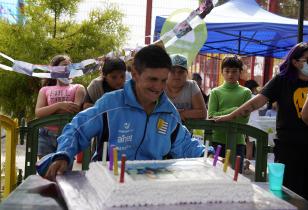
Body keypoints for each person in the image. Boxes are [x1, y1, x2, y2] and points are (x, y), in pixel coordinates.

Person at [37, 45, 214, 181]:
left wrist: (209, 155)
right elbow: (77, 129)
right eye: (152, 79)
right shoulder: (110, 104)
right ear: (135, 74)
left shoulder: (169, 112)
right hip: (107, 182)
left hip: (150, 186)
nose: (158, 87)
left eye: (163, 80)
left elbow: (185, 144)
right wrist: (63, 155)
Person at [214, 42, 308, 204]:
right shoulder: (282, 81)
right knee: (291, 195)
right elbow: (256, 102)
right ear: (295, 62)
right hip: (289, 149)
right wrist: (230, 116)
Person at [35, 55, 86, 159]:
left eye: (70, 67)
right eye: (64, 66)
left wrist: (50, 111)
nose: (67, 69)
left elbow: (74, 110)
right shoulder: (45, 90)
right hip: (45, 136)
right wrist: (60, 105)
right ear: (54, 70)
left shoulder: (78, 88)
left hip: (67, 135)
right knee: (45, 169)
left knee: (64, 170)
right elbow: (39, 113)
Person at [208, 56, 252, 172]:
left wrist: (224, 116)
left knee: (236, 176)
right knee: (215, 173)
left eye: (234, 71)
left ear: (240, 73)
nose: (230, 74)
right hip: (217, 141)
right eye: (227, 71)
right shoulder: (215, 92)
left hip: (238, 142)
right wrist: (235, 110)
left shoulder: (246, 92)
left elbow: (244, 120)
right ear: (222, 72)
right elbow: (211, 116)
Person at [165, 54, 207, 121]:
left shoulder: (192, 86)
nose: (177, 75)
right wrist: (181, 113)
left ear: (187, 74)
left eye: (181, 72)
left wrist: (182, 113)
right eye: (172, 71)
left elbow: (203, 113)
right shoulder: (160, 86)